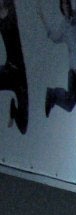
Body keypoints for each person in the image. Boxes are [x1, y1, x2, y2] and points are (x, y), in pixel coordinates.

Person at [40, 0, 76, 164]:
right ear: (62, 8)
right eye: (64, 6)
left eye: (68, 5)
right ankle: (53, 94)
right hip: (73, 72)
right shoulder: (64, 26)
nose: (67, 7)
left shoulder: (74, 20)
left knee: (71, 106)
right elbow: (54, 37)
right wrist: (43, 20)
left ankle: (53, 94)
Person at [1, 0, 28, 134]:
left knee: (23, 126)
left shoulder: (11, 17)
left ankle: (14, 112)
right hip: (10, 70)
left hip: (18, 74)